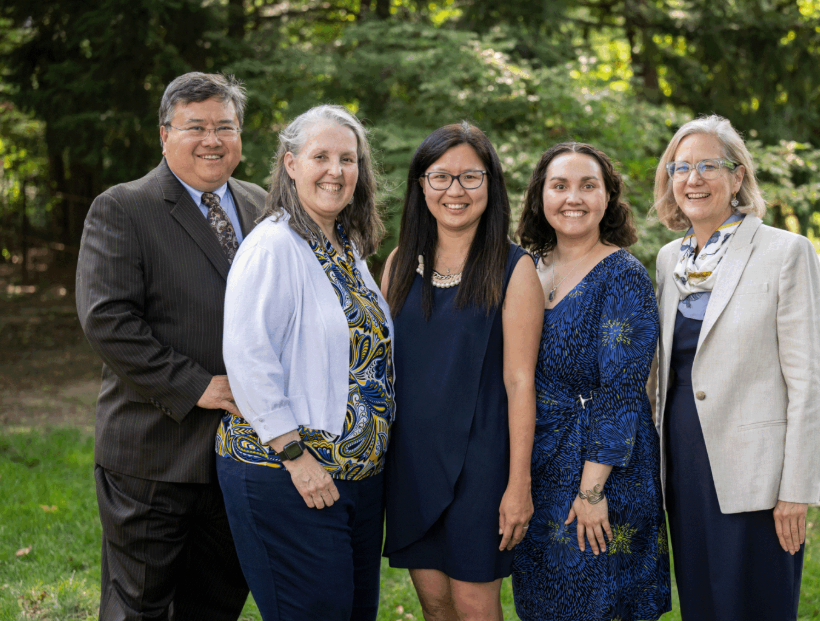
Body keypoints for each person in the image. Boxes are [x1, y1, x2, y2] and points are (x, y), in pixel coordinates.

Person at [75, 72, 266, 621]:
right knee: (141, 606)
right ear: (165, 135)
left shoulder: (261, 204)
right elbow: (108, 319)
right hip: (153, 453)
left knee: (216, 603)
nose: (212, 139)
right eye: (196, 126)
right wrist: (196, 385)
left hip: (240, 452)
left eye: (224, 126)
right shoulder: (124, 207)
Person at [651, 115, 820, 620]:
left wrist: (795, 489)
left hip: (758, 474)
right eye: (680, 167)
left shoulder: (785, 252)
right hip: (683, 465)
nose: (693, 179)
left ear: (737, 176)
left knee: (756, 604)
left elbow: (811, 383)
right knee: (702, 604)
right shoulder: (669, 260)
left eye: (708, 165)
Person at [216, 105, 392, 621]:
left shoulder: (346, 247)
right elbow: (249, 357)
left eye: (348, 158)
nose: (336, 171)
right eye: (321, 157)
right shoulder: (272, 245)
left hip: (352, 479)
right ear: (291, 164)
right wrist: (295, 456)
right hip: (289, 474)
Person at [381, 122, 544, 621]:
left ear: (491, 184)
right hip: (412, 462)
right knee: (435, 605)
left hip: (482, 467)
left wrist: (519, 485)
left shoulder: (515, 270)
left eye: (470, 177)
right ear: (421, 185)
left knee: (475, 606)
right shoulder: (397, 264)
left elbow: (520, 383)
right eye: (441, 177)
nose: (455, 191)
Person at [511, 142, 671, 621]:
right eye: (559, 185)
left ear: (608, 198)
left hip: (603, 470)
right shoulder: (531, 269)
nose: (572, 197)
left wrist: (592, 492)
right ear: (541, 196)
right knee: (544, 603)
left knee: (599, 603)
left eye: (588, 185)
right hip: (543, 462)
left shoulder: (622, 275)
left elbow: (622, 392)